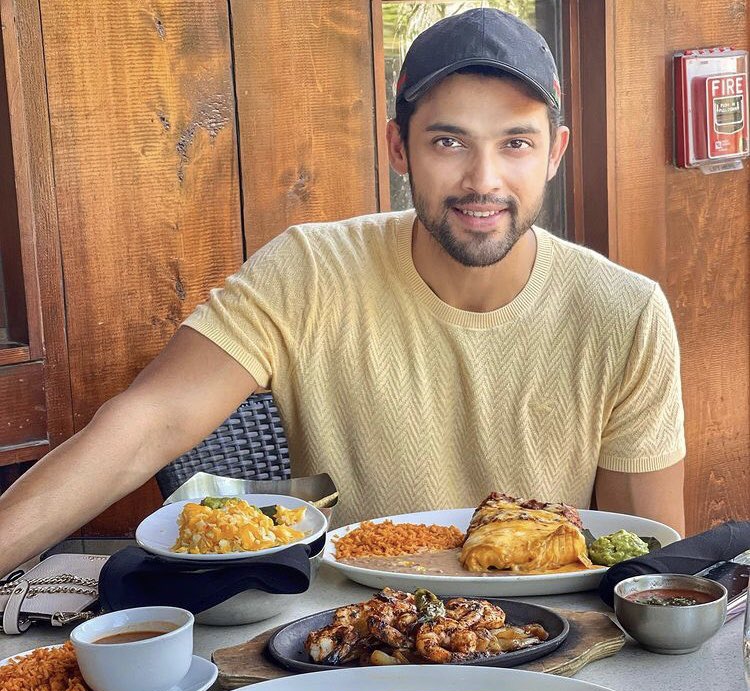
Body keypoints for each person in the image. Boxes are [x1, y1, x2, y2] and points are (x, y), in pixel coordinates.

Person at [0, 8, 685, 577]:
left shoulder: (624, 312)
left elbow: (644, 561)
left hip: (549, 641)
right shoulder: (310, 270)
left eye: (515, 144)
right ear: (399, 147)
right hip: (343, 638)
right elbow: (145, 423)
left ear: (555, 153)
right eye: (449, 142)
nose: (484, 180)